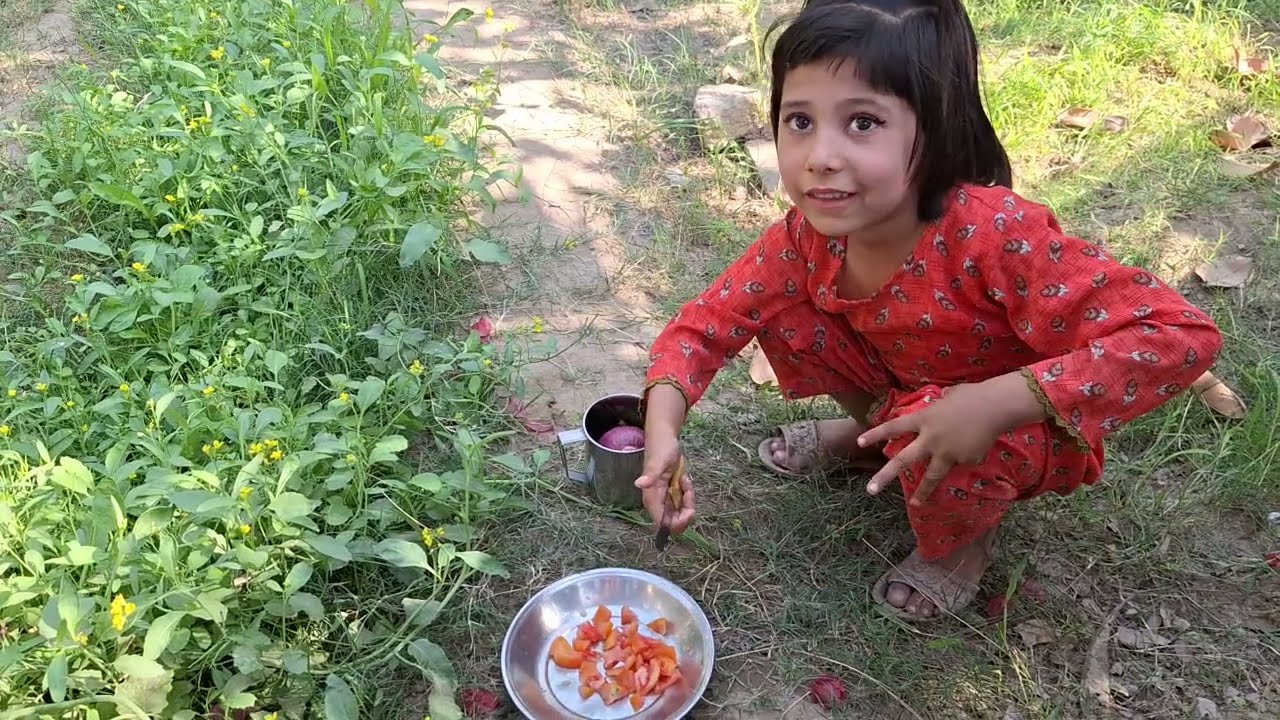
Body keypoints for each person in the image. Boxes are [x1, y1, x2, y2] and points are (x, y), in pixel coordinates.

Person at [633, 0, 1224, 622]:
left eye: (863, 123)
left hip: (1017, 426)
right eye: (798, 120)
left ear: (935, 129)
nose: (819, 156)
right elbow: (707, 323)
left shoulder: (994, 234)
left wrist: (993, 403)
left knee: (958, 430)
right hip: (910, 388)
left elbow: (1181, 334)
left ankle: (962, 546)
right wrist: (663, 432)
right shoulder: (808, 238)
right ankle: (876, 438)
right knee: (786, 313)